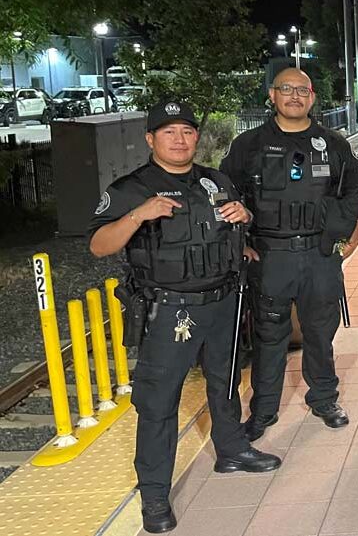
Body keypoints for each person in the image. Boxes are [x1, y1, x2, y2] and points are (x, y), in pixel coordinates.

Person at [89, 100, 281, 533]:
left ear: (197, 137)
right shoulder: (130, 188)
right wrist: (138, 215)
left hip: (223, 302)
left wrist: (244, 216)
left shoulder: (215, 181)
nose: (180, 140)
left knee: (226, 381)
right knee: (158, 403)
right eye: (169, 132)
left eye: (187, 132)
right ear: (151, 139)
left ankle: (231, 451)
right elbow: (100, 245)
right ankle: (154, 495)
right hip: (169, 309)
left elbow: (236, 230)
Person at [221, 68, 358, 441]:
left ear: (313, 97)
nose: (295, 96)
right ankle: (263, 410)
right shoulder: (248, 145)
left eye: (303, 90)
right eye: (287, 89)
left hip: (319, 255)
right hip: (270, 256)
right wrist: (241, 243)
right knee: (270, 336)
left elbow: (355, 193)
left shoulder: (332, 143)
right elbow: (225, 195)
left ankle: (324, 399)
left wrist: (353, 234)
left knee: (320, 331)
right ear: (272, 95)